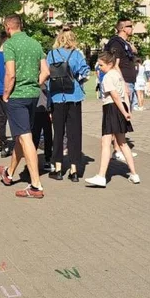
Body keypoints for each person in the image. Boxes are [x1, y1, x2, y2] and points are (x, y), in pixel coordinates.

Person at [0, 15, 50, 199]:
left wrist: (5, 94)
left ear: (7, 28)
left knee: (25, 138)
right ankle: (9, 172)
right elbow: (46, 72)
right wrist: (35, 84)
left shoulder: (10, 45)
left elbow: (10, 74)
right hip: (33, 95)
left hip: (17, 96)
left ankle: (36, 185)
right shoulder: (35, 43)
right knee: (22, 134)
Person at [85, 51, 140, 187]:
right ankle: (134, 174)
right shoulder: (118, 76)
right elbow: (126, 94)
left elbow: (115, 96)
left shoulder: (108, 76)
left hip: (112, 109)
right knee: (122, 143)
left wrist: (123, 111)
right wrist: (127, 110)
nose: (99, 67)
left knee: (105, 142)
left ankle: (101, 176)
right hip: (121, 109)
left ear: (110, 63)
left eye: (101, 65)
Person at [46, 26, 90, 182]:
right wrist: (79, 80)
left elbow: (46, 74)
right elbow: (85, 72)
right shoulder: (77, 54)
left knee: (58, 133)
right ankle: (74, 170)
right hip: (74, 96)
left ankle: (57, 168)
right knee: (74, 133)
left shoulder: (51, 54)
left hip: (57, 97)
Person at [105, 18, 139, 111]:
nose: (132, 28)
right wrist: (124, 84)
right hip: (123, 82)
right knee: (124, 114)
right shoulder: (116, 43)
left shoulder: (124, 43)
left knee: (127, 113)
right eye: (130, 26)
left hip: (129, 81)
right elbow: (115, 65)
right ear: (123, 28)